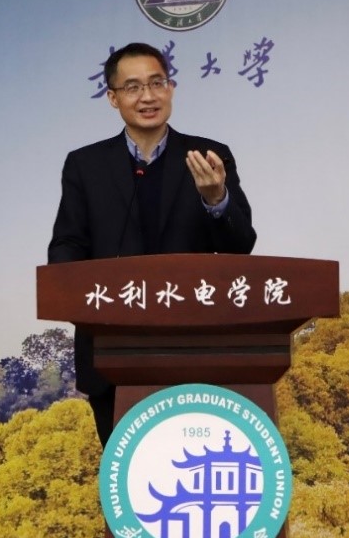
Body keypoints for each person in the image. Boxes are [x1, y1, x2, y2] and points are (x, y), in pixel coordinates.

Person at [47, 42, 257, 445]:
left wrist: (216, 198)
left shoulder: (210, 157)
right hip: (112, 355)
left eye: (157, 83)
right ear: (113, 98)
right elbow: (68, 243)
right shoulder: (85, 165)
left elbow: (241, 245)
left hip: (195, 352)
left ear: (171, 88)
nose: (148, 96)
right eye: (133, 87)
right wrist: (70, 294)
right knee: (127, 479)